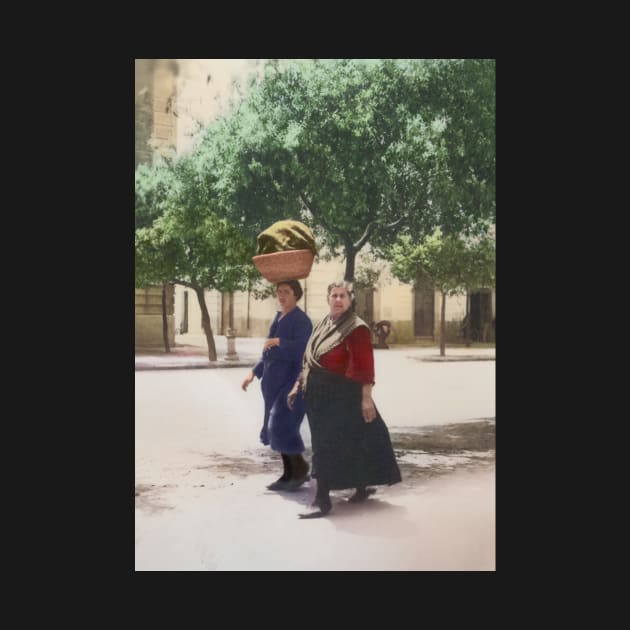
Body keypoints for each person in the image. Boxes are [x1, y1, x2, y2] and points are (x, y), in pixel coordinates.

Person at [288, 281, 401, 518]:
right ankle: (362, 487)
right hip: (318, 395)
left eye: (343, 296)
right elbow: (309, 359)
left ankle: (322, 500)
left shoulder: (356, 328)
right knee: (354, 441)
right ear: (328, 299)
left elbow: (365, 366)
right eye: (334, 295)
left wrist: (366, 399)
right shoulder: (322, 324)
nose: (338, 300)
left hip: (343, 395)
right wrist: (297, 386)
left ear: (350, 300)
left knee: (325, 446)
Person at [242, 280, 313, 491]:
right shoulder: (278, 317)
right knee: (279, 430)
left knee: (281, 425)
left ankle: (299, 470)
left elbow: (304, 349)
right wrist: (254, 372)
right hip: (273, 384)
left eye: (286, 292)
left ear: (296, 295)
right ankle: (289, 473)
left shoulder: (301, 320)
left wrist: (281, 342)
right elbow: (267, 351)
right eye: (279, 292)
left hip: (292, 382)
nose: (281, 296)